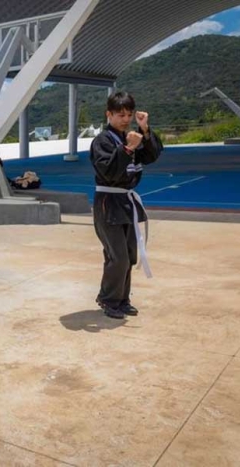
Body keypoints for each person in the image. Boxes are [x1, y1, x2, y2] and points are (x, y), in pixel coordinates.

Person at [90, 91, 163, 319]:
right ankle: (108, 298)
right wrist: (128, 149)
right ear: (109, 114)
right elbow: (109, 172)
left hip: (126, 202)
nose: (125, 119)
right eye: (120, 114)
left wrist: (145, 129)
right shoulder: (102, 141)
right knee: (117, 256)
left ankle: (122, 298)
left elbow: (152, 155)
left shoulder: (130, 136)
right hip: (108, 201)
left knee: (130, 254)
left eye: (129, 114)